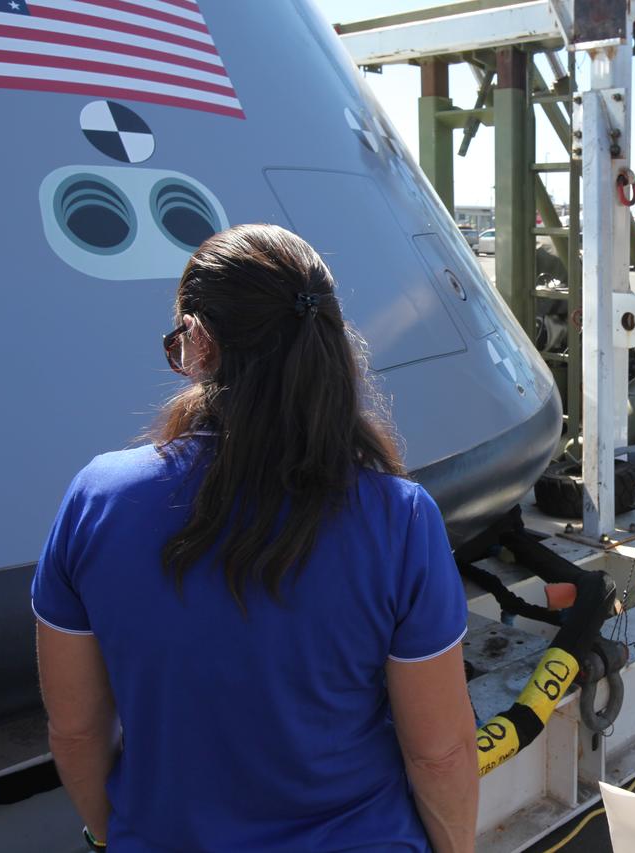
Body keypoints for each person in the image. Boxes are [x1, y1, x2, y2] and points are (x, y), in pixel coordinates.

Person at [32, 224, 478, 852]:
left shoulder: (97, 500)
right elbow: (439, 754)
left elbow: (76, 732)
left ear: (199, 343)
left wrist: (122, 835)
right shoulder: (400, 519)